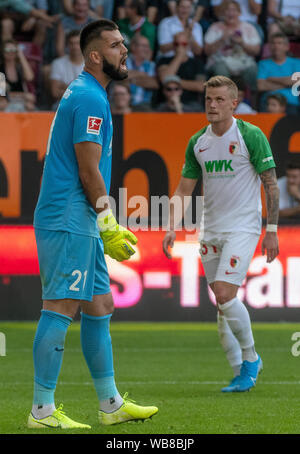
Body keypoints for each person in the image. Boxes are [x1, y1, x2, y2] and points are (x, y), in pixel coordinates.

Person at [29, 19, 158, 429]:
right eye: (117, 45)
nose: (126, 50)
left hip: (78, 217)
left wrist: (100, 223)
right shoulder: (89, 98)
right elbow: (88, 171)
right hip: (69, 217)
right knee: (61, 306)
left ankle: (110, 404)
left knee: (100, 305)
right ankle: (41, 411)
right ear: (95, 55)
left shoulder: (87, 93)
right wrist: (108, 223)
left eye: (124, 43)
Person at [162, 75, 279, 393]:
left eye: (218, 100)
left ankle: (251, 360)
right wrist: (171, 226)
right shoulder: (197, 142)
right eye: (207, 100)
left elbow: (270, 183)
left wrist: (272, 230)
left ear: (233, 103)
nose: (212, 105)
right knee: (222, 302)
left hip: (243, 227)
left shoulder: (250, 136)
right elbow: (184, 189)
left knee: (225, 293)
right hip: (210, 228)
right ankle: (239, 371)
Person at [204, 0, 261, 91]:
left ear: (239, 13)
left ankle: (252, 101)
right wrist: (222, 39)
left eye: (234, 10)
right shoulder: (215, 27)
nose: (231, 13)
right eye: (227, 10)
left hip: (243, 61)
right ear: (223, 13)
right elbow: (207, 51)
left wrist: (241, 43)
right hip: (220, 61)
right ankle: (222, 100)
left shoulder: (249, 28)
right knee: (220, 70)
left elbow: (256, 51)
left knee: (252, 70)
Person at [157, 30, 205, 106]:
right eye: (176, 44)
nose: (180, 47)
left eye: (183, 44)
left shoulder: (197, 63)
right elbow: (164, 78)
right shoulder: (163, 61)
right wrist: (179, 56)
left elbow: (201, 86)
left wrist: (174, 81)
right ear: (173, 45)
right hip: (167, 105)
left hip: (191, 105)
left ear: (188, 46)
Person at [257, 32, 300, 115]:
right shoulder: (263, 64)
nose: (276, 46)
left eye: (279, 43)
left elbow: (297, 80)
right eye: (273, 43)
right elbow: (260, 86)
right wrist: (287, 83)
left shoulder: (297, 62)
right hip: (268, 104)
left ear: (287, 47)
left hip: (291, 104)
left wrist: (271, 79)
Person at [50, 30, 84, 109]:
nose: (75, 47)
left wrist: (66, 86)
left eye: (77, 43)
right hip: (63, 104)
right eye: (71, 43)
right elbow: (55, 92)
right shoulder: (57, 63)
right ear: (67, 45)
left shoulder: (92, 64)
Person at [126, 34, 159, 107]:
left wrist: (131, 80)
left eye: (147, 46)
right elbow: (120, 76)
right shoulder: (123, 61)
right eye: (144, 46)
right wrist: (143, 74)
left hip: (144, 106)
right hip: (123, 104)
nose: (146, 49)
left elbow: (154, 84)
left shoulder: (151, 65)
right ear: (133, 47)